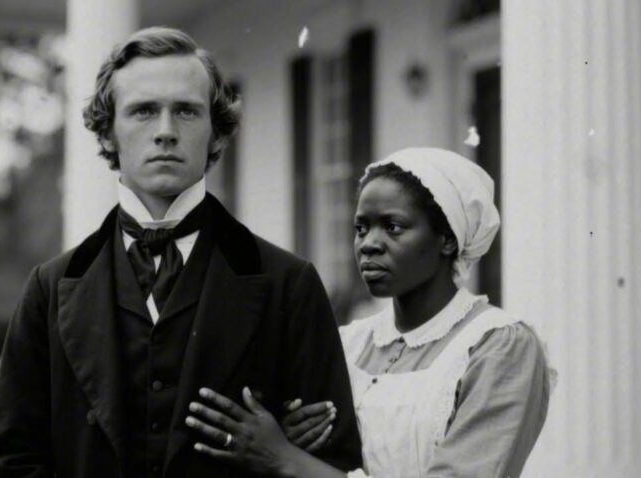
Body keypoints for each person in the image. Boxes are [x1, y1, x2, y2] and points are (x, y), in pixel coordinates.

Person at [0, 27, 362, 478]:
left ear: (216, 134)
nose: (165, 132)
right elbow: (7, 460)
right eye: (143, 111)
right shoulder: (49, 288)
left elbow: (333, 460)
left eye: (186, 111)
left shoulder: (289, 284)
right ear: (108, 134)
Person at [186, 147, 553, 477]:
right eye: (361, 228)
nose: (369, 245)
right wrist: (294, 438)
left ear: (447, 240)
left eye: (393, 227)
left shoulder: (498, 346)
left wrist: (287, 460)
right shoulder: (349, 344)